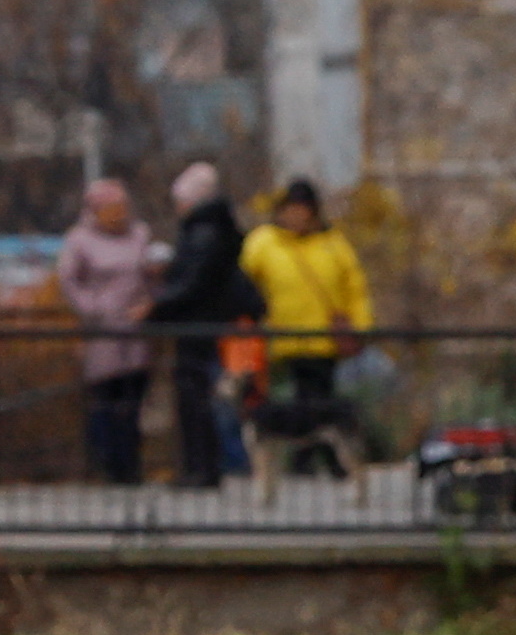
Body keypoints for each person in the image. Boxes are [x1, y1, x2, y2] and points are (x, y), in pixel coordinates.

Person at [241, 178, 374, 478]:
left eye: (303, 211)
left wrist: (361, 325)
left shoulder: (333, 243)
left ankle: (321, 461)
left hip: (323, 338)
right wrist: (253, 316)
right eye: (292, 210)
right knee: (294, 403)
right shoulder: (264, 242)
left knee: (319, 400)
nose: (297, 217)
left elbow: (355, 287)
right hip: (283, 338)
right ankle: (305, 460)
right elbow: (244, 281)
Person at [147, 162, 255, 488]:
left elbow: (193, 282)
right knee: (204, 399)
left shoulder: (203, 233)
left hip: (198, 328)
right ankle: (206, 467)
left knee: (199, 401)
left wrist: (157, 307)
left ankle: (203, 469)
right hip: (207, 326)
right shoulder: (216, 229)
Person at [53, 178, 156, 487]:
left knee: (134, 399)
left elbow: (149, 271)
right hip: (103, 330)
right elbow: (69, 280)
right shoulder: (80, 240)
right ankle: (110, 465)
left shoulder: (139, 234)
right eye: (112, 208)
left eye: (122, 207)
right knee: (106, 399)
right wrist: (93, 308)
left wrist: (151, 300)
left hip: (136, 326)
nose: (119, 214)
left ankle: (132, 463)